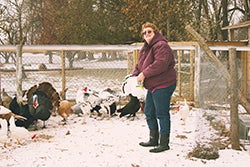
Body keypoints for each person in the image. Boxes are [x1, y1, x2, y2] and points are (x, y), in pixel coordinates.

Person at [132, 22, 176, 153]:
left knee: (161, 113)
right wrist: (134, 75)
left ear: (155, 32)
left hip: (164, 84)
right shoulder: (146, 48)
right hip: (153, 85)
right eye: (144, 33)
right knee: (149, 112)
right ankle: (153, 139)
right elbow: (140, 65)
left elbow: (160, 64)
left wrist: (144, 74)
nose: (146, 34)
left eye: (149, 32)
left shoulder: (161, 45)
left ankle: (164, 143)